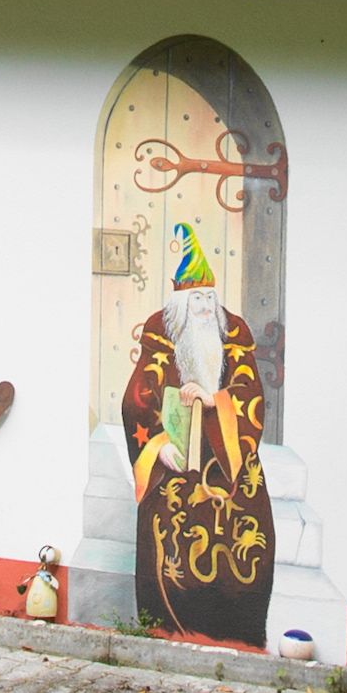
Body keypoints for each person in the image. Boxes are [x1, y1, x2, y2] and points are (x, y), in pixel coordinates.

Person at [124, 220, 273, 644]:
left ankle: (238, 637)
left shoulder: (234, 332)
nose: (206, 307)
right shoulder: (161, 330)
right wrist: (157, 445)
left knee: (246, 551)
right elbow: (138, 398)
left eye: (210, 297)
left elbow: (249, 391)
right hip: (176, 464)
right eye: (197, 299)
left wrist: (214, 402)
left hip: (230, 462)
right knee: (168, 549)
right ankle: (168, 630)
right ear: (181, 302)